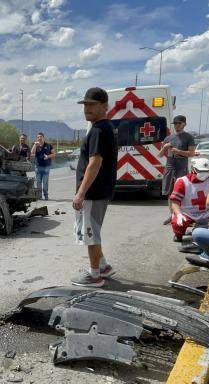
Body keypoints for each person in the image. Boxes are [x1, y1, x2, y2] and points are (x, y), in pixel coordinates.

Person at [71, 87, 117, 287]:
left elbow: (95, 163)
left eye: (92, 104)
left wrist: (80, 193)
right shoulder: (103, 127)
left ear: (104, 106)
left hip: (93, 192)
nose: (87, 108)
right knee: (93, 230)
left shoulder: (98, 129)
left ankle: (94, 275)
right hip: (98, 191)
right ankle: (104, 266)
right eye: (85, 104)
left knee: (90, 234)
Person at [168, 157, 209, 242]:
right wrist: (178, 214)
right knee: (177, 223)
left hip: (208, 211)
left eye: (206, 171)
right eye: (200, 171)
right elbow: (175, 201)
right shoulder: (182, 181)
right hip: (188, 212)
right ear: (193, 169)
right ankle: (178, 235)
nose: (203, 174)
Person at [159, 115, 197, 222]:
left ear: (184, 124)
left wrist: (178, 151)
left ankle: (181, 215)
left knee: (182, 191)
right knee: (169, 192)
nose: (177, 126)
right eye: (175, 124)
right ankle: (172, 216)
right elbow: (160, 155)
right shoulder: (168, 138)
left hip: (181, 165)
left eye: (179, 123)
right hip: (170, 165)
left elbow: (191, 153)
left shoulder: (188, 137)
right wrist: (165, 148)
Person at [31, 132, 55, 200]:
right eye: (38, 137)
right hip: (38, 167)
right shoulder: (36, 146)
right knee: (38, 183)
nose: (39, 138)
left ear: (43, 137)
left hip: (46, 167)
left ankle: (46, 195)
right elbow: (32, 152)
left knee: (45, 183)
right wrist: (34, 145)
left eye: (40, 136)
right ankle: (39, 196)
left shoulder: (49, 145)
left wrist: (48, 156)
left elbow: (53, 154)